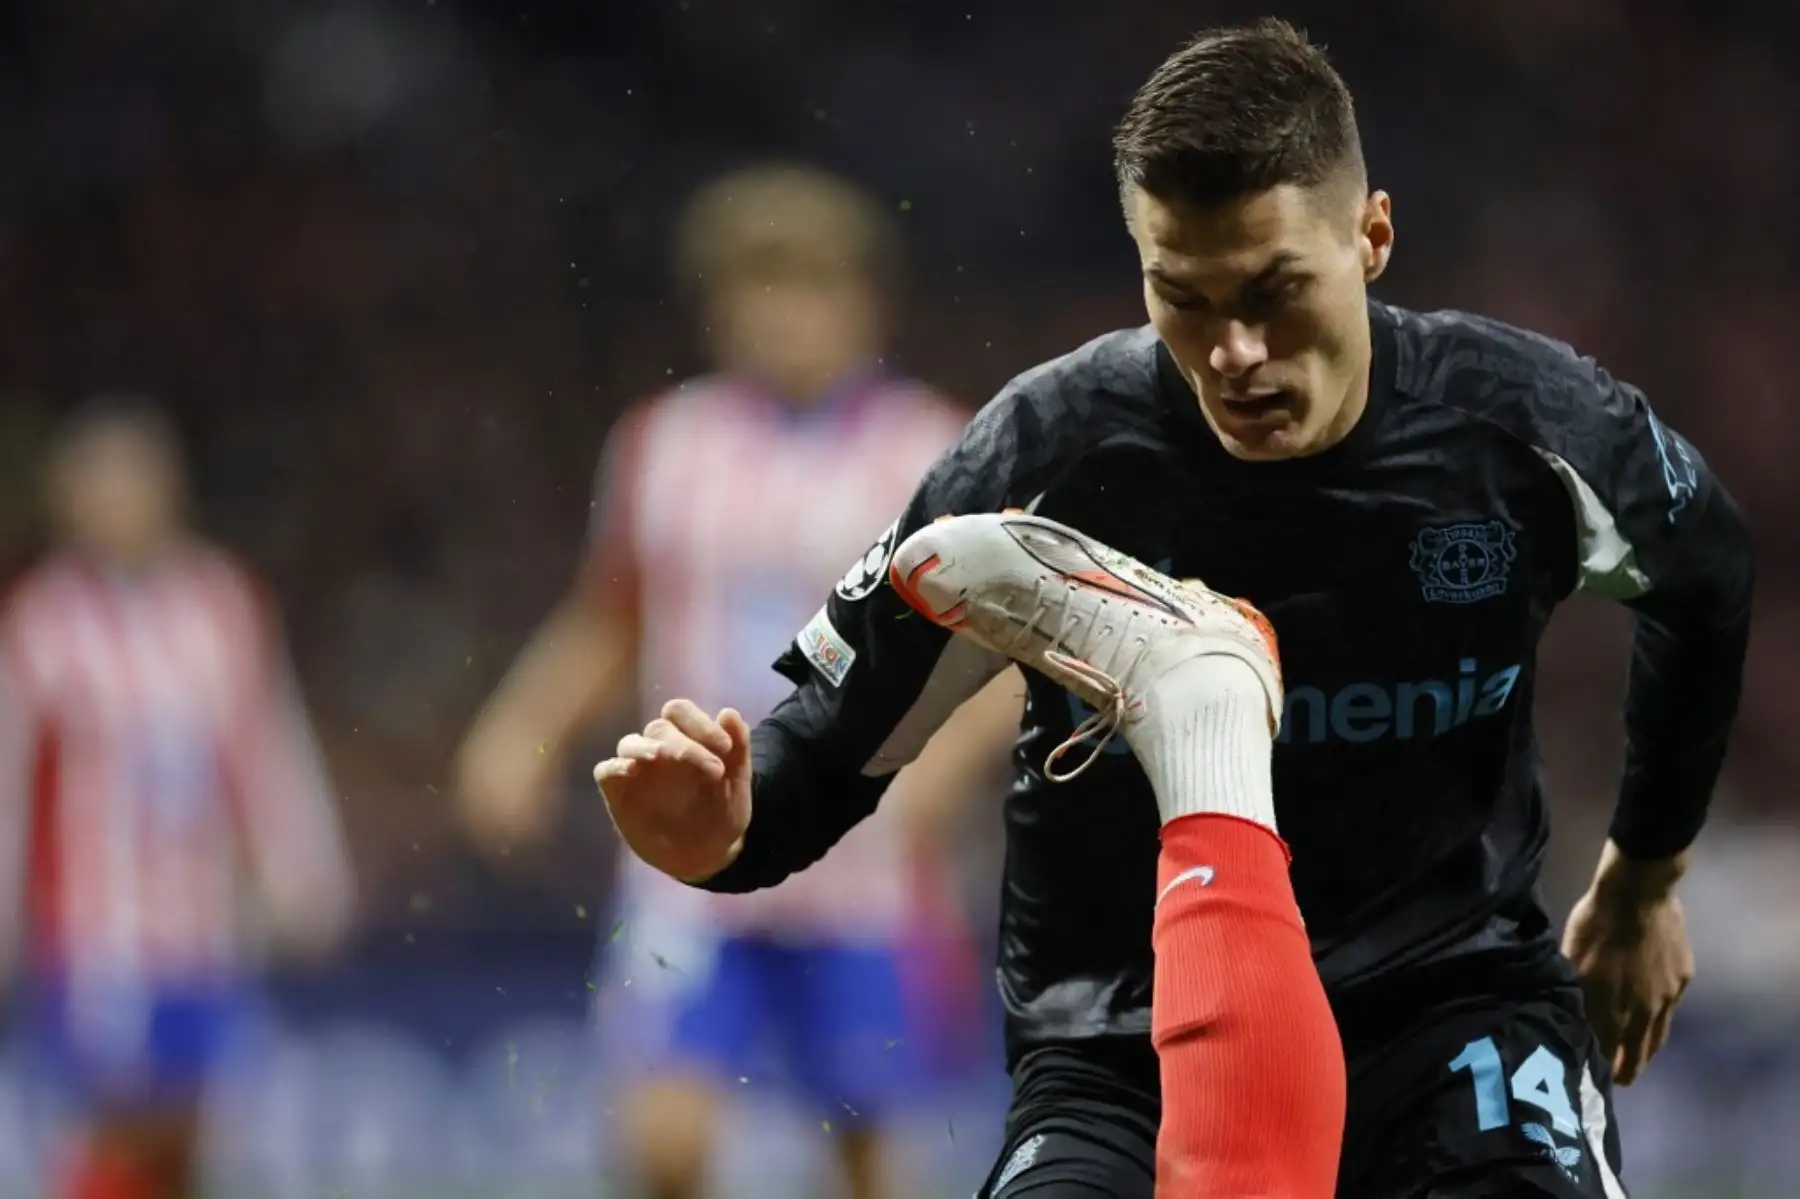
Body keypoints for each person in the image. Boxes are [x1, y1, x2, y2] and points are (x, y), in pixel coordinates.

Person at [593, 19, 1752, 1199]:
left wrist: (1646, 874)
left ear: (1374, 236)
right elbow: (829, 748)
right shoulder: (1049, 453)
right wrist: (726, 832)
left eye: (1275, 290)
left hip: (1453, 1010)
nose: (1234, 352)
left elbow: (1708, 572)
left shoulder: (1528, 430)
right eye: (1182, 297)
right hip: (1120, 1047)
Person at [455, 164, 1015, 1199]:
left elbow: (1007, 652)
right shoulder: (665, 445)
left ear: (861, 301)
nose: (786, 315)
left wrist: (944, 763)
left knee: (869, 1154)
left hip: (866, 862)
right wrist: (518, 736)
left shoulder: (933, 447)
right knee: (664, 1138)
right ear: (721, 308)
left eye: (809, 287)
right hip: (691, 857)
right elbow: (611, 619)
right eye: (760, 289)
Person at [0, 398, 355, 1199]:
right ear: (71, 502)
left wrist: (304, 870)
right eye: (102, 483)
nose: (121, 501)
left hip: (201, 926)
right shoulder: (43, 623)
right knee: (126, 1119)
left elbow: (266, 747)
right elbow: (11, 778)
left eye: (137, 479)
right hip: (97, 935)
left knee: (187, 1139)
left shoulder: (221, 604)